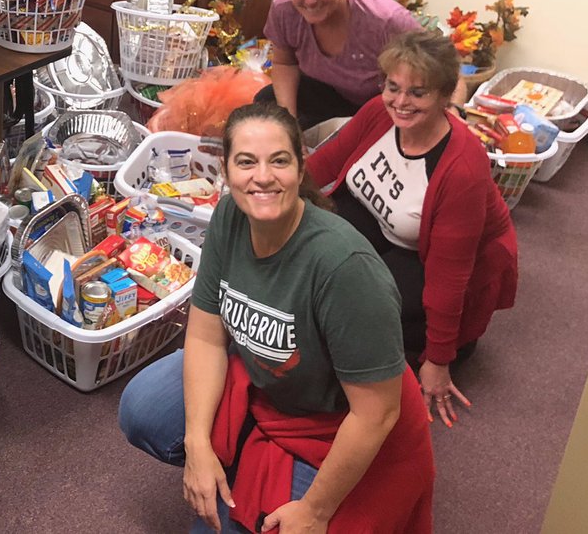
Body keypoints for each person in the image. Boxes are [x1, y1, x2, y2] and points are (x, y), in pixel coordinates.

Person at [120, 102, 434, 533]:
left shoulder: (345, 268)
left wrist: (316, 511)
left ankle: (255, 461)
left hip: (334, 422)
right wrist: (196, 444)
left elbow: (376, 414)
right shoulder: (231, 215)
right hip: (264, 386)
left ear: (301, 168)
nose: (262, 177)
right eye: (246, 162)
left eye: (279, 160)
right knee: (143, 409)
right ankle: (240, 448)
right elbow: (207, 337)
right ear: (226, 171)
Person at [306, 29, 518, 425]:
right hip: (380, 217)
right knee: (314, 252)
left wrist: (438, 361)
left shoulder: (463, 167)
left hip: (432, 253)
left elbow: (449, 277)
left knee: (365, 308)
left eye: (417, 93)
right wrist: (265, 184)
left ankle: (444, 343)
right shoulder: (378, 112)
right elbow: (326, 162)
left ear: (443, 96)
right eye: (393, 87)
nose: (400, 102)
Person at [257, 0, 423, 128]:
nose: (309, 0)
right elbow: (284, 63)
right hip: (325, 93)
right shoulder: (284, 6)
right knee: (267, 104)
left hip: (380, 105)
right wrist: (289, 126)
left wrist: (454, 109)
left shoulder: (387, 19)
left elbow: (441, 70)